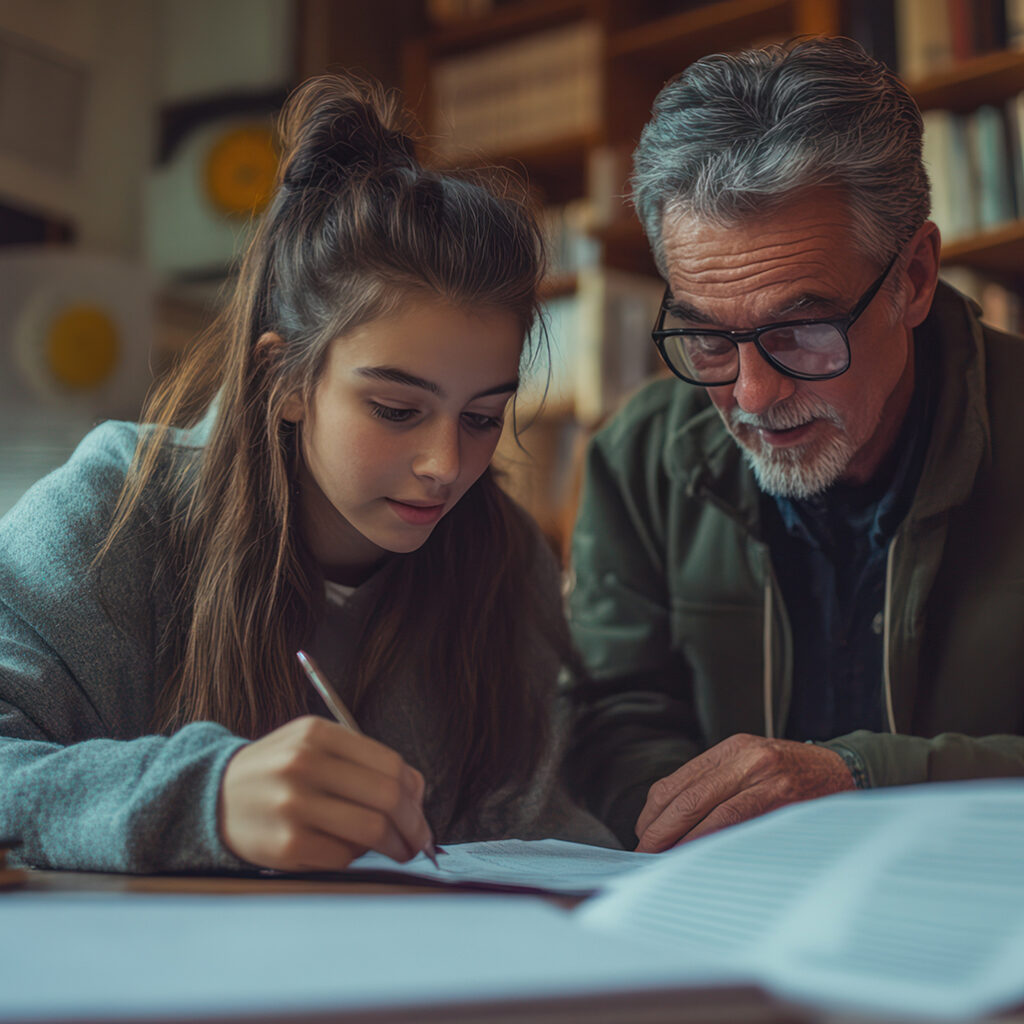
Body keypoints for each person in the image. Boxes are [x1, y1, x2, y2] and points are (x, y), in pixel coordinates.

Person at [0, 73, 614, 874]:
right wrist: (205, 799)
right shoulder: (110, 511)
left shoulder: (504, 560)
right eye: (396, 409)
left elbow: (541, 831)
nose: (446, 467)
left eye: (482, 416)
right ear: (285, 380)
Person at [565, 37, 1024, 853]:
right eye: (706, 338)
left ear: (914, 278)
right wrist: (692, 822)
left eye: (804, 329)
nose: (751, 396)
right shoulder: (636, 459)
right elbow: (615, 715)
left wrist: (862, 778)